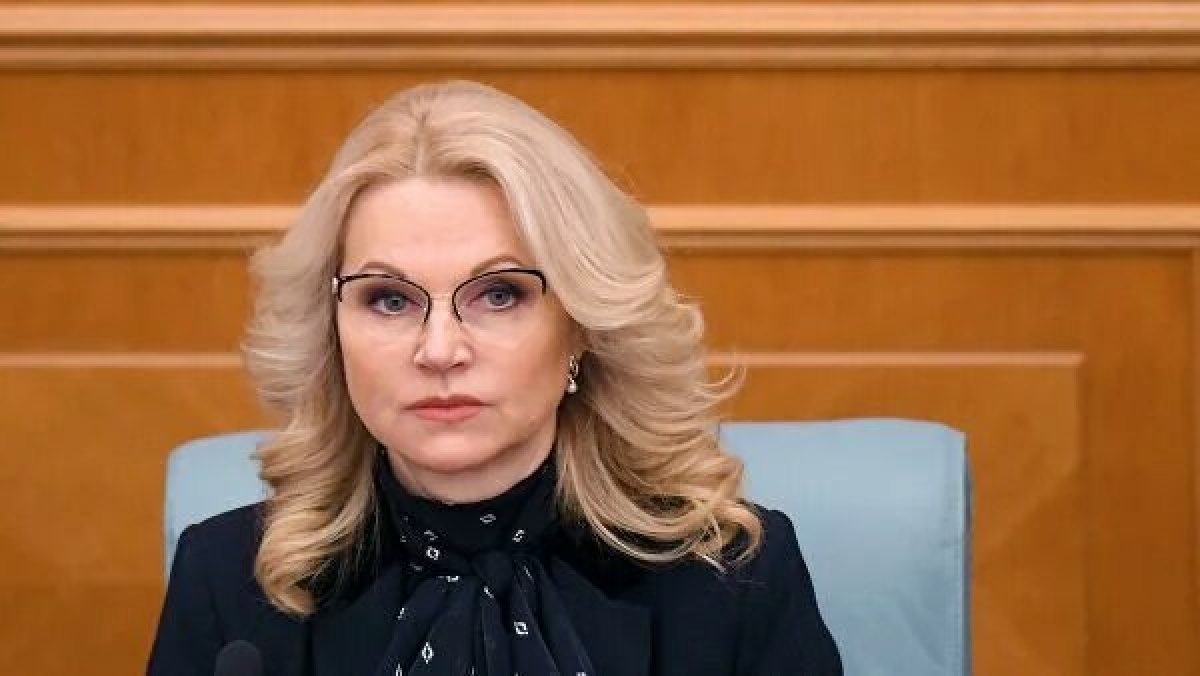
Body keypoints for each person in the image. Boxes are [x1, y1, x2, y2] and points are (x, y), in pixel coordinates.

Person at [147, 80, 841, 676]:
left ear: (581, 325)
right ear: (332, 330)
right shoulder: (226, 582)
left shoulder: (735, 582)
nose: (440, 350)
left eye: (499, 294)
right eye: (389, 299)